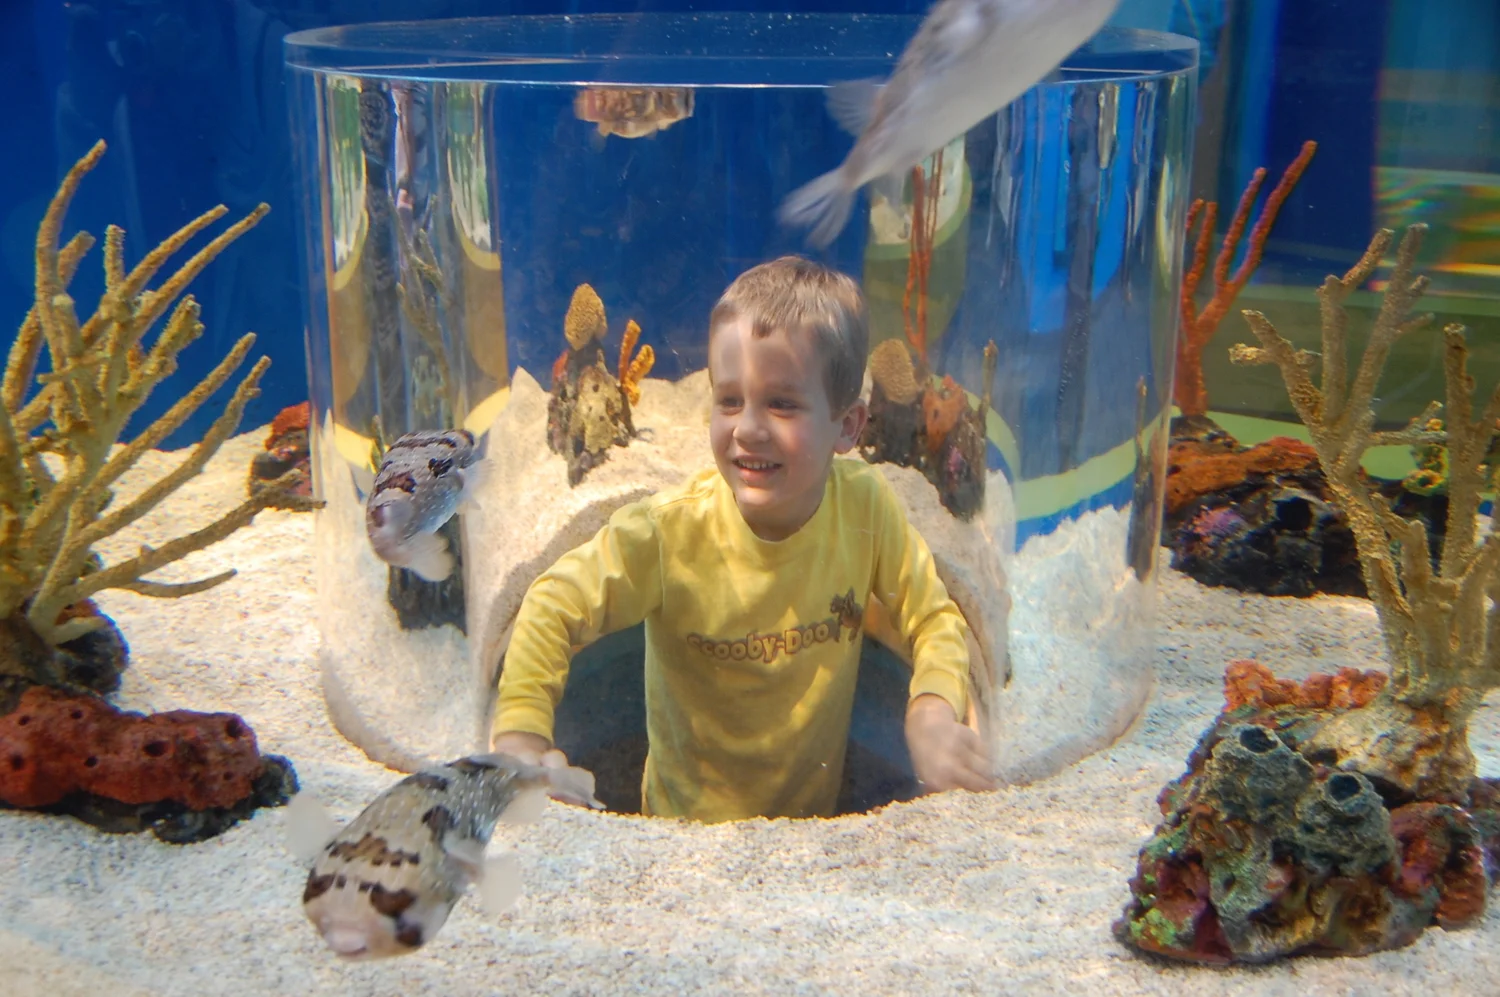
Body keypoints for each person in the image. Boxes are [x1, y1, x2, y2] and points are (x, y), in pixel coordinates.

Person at [491, 256, 995, 822]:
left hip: (815, 835)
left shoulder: (866, 508)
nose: (748, 429)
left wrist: (931, 712)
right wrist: (522, 738)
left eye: (781, 404)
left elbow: (934, 618)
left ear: (848, 426)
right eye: (730, 400)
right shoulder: (668, 532)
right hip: (678, 837)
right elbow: (552, 603)